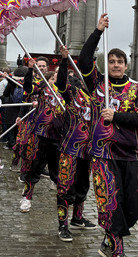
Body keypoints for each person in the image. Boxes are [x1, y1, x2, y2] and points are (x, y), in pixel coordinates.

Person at [78, 13, 138, 257]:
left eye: (120, 61)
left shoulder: (137, 89)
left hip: (130, 155)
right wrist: (97, 31)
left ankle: (109, 242)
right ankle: (117, 253)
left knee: (131, 208)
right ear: (106, 65)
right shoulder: (98, 85)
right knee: (111, 204)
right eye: (112, 61)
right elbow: (84, 60)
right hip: (103, 155)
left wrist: (116, 116)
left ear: (126, 65)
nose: (116, 65)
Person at [55, 46, 97, 242]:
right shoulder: (73, 93)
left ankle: (77, 218)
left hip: (88, 152)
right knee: (65, 187)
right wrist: (64, 61)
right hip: (70, 149)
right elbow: (61, 83)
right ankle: (62, 224)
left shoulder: (100, 98)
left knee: (83, 186)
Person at [19, 60, 64, 213]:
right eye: (55, 74)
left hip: (58, 137)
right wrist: (29, 70)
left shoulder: (67, 92)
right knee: (34, 168)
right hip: (41, 134)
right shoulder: (43, 88)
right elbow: (28, 88)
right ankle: (26, 198)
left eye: (59, 73)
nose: (56, 76)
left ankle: (63, 205)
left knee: (57, 171)